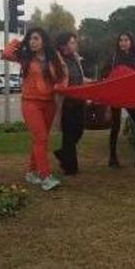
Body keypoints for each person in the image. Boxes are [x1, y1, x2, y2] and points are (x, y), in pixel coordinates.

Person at [3, 28, 67, 191]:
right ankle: (45, 176)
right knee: (41, 137)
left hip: (49, 103)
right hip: (30, 103)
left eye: (36, 38)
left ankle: (32, 172)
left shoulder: (54, 57)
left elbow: (62, 76)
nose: (32, 42)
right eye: (30, 39)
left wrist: (61, 86)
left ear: (44, 41)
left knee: (40, 139)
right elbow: (6, 54)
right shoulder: (25, 58)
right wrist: (17, 42)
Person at [103, 32, 135, 168]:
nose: (123, 42)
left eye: (126, 40)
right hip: (116, 95)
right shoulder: (113, 57)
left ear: (131, 42)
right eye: (121, 40)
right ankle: (112, 159)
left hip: (131, 96)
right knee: (115, 127)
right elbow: (105, 75)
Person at [54, 32, 85, 176]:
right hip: (67, 103)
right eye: (72, 42)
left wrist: (97, 82)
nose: (75, 44)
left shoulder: (75, 59)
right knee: (69, 135)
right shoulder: (57, 60)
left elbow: (81, 78)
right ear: (64, 45)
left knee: (78, 131)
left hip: (79, 101)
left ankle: (62, 154)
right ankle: (71, 167)